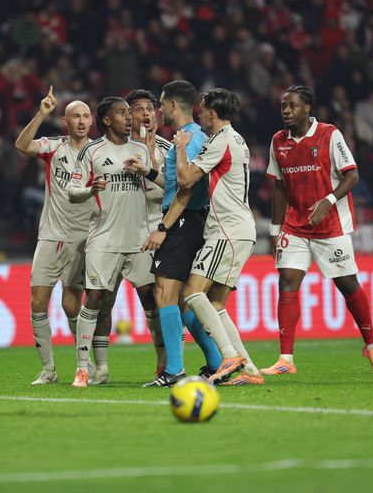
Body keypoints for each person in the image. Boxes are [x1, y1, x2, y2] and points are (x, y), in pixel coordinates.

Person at [263, 85, 373, 376]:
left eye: (292, 105)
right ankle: (285, 359)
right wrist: (274, 229)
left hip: (330, 225)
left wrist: (329, 200)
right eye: (283, 106)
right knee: (287, 283)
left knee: (348, 285)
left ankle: (371, 347)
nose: (286, 111)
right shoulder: (278, 141)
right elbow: (279, 187)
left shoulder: (330, 134)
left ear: (307, 108)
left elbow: (352, 175)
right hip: (295, 225)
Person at [126, 80, 223, 388]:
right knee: (180, 300)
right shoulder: (188, 137)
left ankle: (174, 371)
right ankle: (218, 364)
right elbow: (172, 184)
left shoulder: (189, 139)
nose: (158, 110)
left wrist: (163, 228)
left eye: (161, 104)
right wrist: (147, 172)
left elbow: (186, 187)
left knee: (164, 293)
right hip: (188, 220)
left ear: (172, 105)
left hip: (183, 222)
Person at [176, 88, 264, 386]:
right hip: (239, 230)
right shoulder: (236, 139)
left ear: (212, 113)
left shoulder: (219, 141)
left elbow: (185, 179)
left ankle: (228, 356)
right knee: (215, 303)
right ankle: (249, 370)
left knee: (192, 292)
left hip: (226, 231)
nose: (199, 114)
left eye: (202, 110)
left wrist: (180, 148)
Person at [67, 96, 155, 387]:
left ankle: (164, 366)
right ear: (106, 120)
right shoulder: (91, 150)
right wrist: (90, 190)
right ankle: (88, 368)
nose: (129, 117)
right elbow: (72, 191)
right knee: (96, 299)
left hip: (139, 239)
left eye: (129, 113)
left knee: (151, 300)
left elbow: (157, 187)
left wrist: (147, 171)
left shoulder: (141, 149)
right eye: (122, 113)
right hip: (103, 239)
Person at [87, 89, 170, 383]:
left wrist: (149, 167)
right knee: (104, 299)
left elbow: (168, 190)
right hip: (113, 232)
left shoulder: (165, 148)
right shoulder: (102, 151)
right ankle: (99, 367)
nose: (145, 114)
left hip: (154, 233)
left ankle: (166, 361)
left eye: (150, 108)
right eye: (137, 109)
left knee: (158, 299)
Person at [14, 86, 95, 386]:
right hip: (50, 235)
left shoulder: (98, 153)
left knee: (71, 306)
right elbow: (22, 145)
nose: (81, 121)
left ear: (92, 120)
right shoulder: (54, 146)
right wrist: (40, 114)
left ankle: (85, 364)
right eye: (76, 116)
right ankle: (48, 370)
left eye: (86, 116)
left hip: (82, 239)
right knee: (38, 302)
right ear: (65, 121)